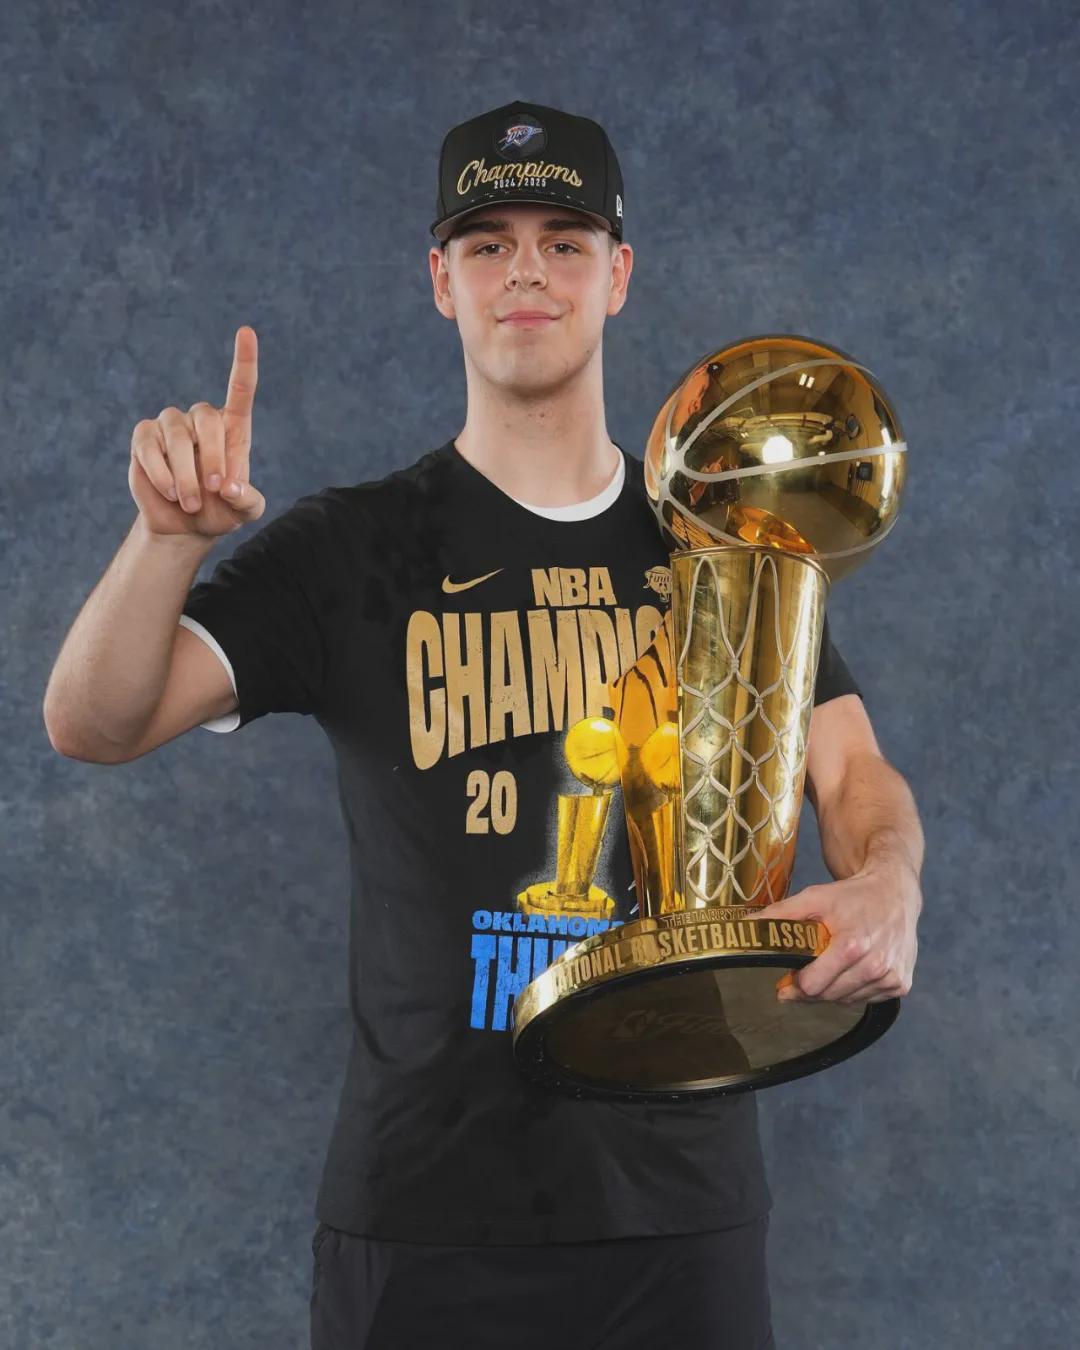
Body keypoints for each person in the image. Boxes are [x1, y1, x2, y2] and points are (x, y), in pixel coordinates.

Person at [43, 99, 917, 1349]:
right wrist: (163, 541)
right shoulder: (352, 547)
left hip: (680, 1207)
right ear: (440, 280)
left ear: (618, 275)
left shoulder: (723, 544)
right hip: (423, 1214)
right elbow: (93, 721)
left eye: (565, 241)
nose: (526, 272)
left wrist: (888, 880)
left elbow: (854, 768)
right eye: (487, 242)